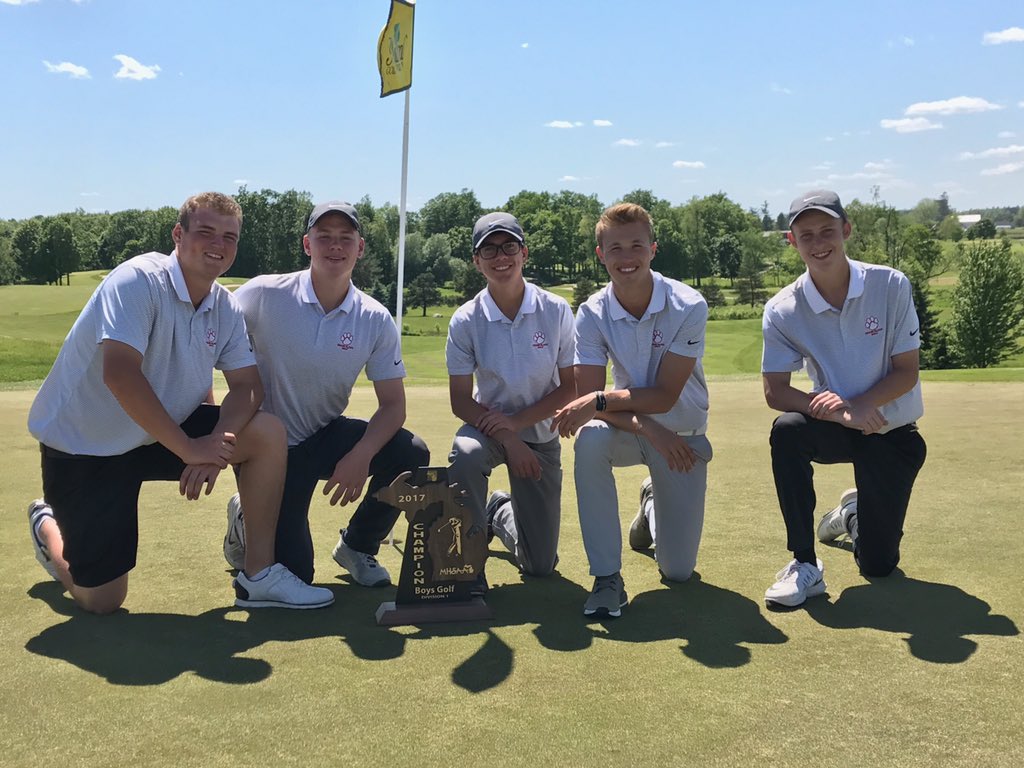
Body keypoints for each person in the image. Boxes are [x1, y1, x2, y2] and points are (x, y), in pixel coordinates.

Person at [26, 192, 334, 613]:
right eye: (205, 231)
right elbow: (120, 373)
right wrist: (190, 448)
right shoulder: (138, 280)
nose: (218, 245)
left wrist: (217, 443)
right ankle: (47, 528)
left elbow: (248, 387)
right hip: (85, 447)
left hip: (157, 435)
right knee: (101, 600)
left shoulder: (224, 305)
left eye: (229, 237)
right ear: (178, 234)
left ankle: (258, 574)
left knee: (265, 432)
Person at [224, 201, 429, 587]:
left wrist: (360, 456)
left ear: (360, 248)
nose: (335, 246)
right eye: (324, 237)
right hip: (267, 450)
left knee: (410, 452)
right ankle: (245, 516)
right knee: (294, 573)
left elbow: (393, 406)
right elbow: (212, 336)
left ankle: (358, 545)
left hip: (322, 435)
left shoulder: (373, 317)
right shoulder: (264, 293)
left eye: (345, 238)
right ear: (307, 244)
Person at [761, 189, 926, 609]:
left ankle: (852, 515)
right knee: (788, 431)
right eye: (807, 235)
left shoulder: (889, 285)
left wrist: (858, 407)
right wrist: (840, 413)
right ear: (791, 241)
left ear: (846, 230)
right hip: (837, 428)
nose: (819, 244)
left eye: (827, 231)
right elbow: (776, 391)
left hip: (890, 430)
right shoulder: (783, 308)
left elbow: (906, 371)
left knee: (878, 566)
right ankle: (804, 562)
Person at [552, 203, 712, 619]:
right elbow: (590, 406)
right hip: (633, 430)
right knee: (589, 441)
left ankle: (651, 506)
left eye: (636, 245)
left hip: (682, 430)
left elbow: (662, 397)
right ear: (600, 254)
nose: (627, 258)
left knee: (678, 571)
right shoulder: (590, 312)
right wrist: (651, 431)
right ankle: (607, 578)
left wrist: (606, 403)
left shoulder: (688, 305)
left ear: (653, 249)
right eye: (616, 248)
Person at [445, 212, 576, 584]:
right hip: (487, 429)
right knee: (466, 455)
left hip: (540, 435)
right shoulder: (466, 319)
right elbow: (459, 400)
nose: (500, 257)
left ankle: (498, 510)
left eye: (509, 247)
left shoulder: (554, 309)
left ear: (524, 253)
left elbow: (571, 387)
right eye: (489, 249)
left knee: (540, 566)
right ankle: (468, 563)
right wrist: (508, 437)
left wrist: (518, 427)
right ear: (476, 261)